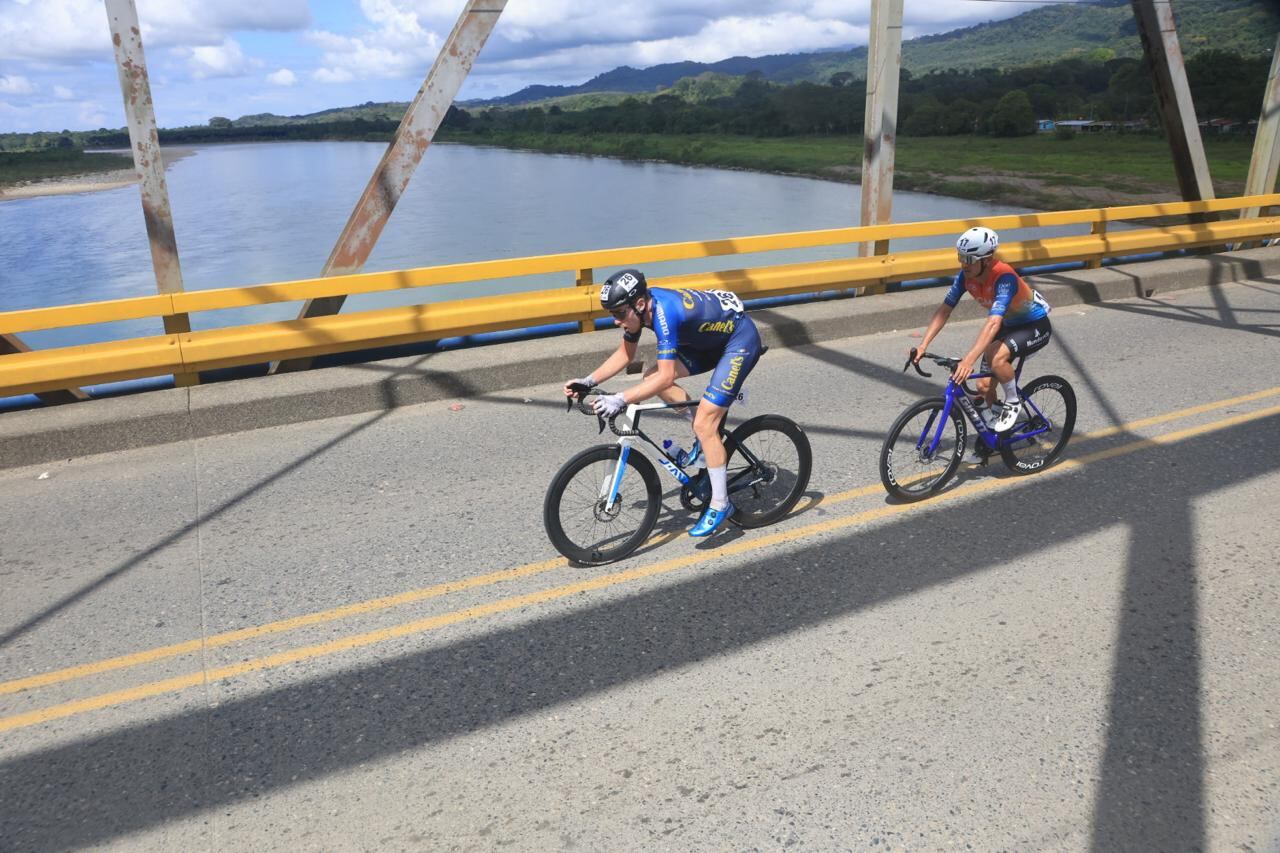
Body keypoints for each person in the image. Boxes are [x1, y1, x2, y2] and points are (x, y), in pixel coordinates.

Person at [564, 268, 763, 537]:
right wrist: (587, 381)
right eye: (612, 314)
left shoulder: (663, 314)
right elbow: (626, 354)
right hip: (707, 341)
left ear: (640, 304)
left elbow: (667, 376)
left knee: (704, 422)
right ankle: (705, 436)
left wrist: (620, 399)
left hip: (738, 340)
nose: (616, 321)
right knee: (651, 377)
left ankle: (720, 504)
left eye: (620, 314)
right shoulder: (639, 311)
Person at [913, 226, 1053, 457]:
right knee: (983, 387)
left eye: (969, 259)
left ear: (987, 260)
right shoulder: (965, 277)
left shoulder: (1004, 276)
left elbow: (993, 323)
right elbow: (945, 310)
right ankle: (997, 437)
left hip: (1033, 326)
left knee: (997, 358)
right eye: (960, 257)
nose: (963, 264)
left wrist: (968, 360)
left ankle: (1013, 401)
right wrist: (923, 345)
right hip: (1010, 326)